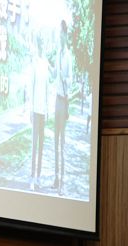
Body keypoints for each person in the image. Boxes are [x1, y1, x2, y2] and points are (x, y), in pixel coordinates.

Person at [53, 20, 72, 195]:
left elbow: (70, 80)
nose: (59, 36)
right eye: (58, 34)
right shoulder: (58, 54)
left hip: (64, 100)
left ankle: (63, 183)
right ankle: (56, 178)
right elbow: (54, 75)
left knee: (63, 143)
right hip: (56, 101)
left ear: (66, 35)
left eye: (61, 34)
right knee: (55, 140)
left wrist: (64, 77)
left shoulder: (68, 56)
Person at [29, 34, 50, 191]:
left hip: (43, 111)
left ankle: (38, 177)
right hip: (35, 110)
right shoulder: (35, 63)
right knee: (34, 145)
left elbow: (47, 88)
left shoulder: (45, 63)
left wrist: (47, 109)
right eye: (39, 43)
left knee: (41, 145)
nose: (41, 46)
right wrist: (30, 109)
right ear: (37, 45)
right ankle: (31, 177)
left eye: (42, 43)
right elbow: (31, 86)